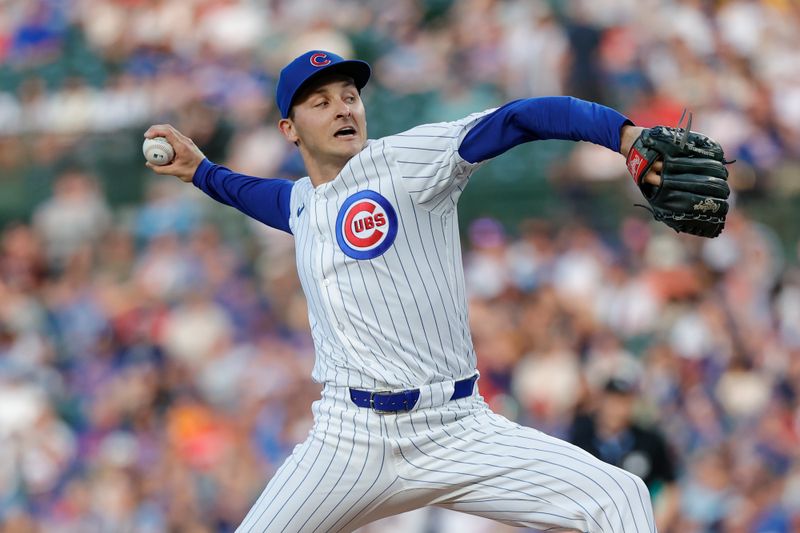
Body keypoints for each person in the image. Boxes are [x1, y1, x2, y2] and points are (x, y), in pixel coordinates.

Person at [145, 50, 669, 532]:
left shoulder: (409, 162)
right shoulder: (301, 203)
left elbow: (518, 118)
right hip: (349, 438)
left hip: (455, 427)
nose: (343, 109)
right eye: (321, 102)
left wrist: (621, 135)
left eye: (350, 96)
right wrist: (202, 173)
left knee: (618, 496)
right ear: (290, 129)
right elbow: (256, 195)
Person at [570, 377, 680, 532]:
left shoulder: (649, 441)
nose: (617, 409)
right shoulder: (581, 440)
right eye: (612, 401)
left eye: (623, 402)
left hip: (636, 523)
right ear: (601, 402)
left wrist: (657, 524)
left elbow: (670, 488)